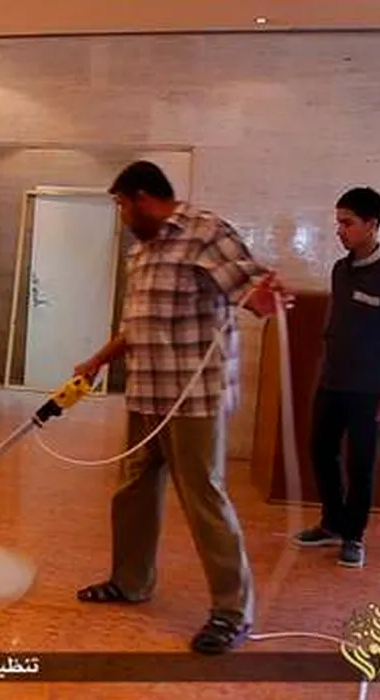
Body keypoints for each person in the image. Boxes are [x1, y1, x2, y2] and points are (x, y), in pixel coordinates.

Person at [72, 160, 290, 655]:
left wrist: (266, 297)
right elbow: (137, 325)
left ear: (142, 197)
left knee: (203, 498)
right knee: (132, 490)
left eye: (121, 205)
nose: (121, 215)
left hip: (194, 400)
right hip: (147, 393)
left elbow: (251, 289)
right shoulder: (141, 252)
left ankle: (232, 612)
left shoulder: (205, 232)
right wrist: (97, 360)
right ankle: (130, 581)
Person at [292, 187, 380, 568]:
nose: (340, 230)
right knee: (321, 450)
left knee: (361, 463)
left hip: (369, 389)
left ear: (372, 224)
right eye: (338, 223)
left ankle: (354, 535)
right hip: (332, 381)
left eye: (347, 223)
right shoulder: (340, 269)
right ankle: (332, 522)